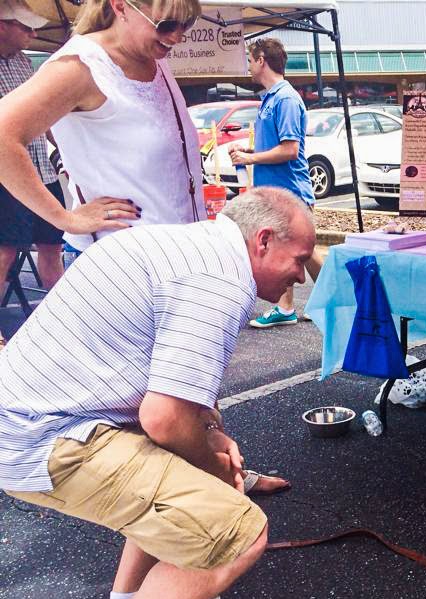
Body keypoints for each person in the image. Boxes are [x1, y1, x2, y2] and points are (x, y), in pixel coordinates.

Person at [0, 187, 317, 599]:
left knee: (182, 472)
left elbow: (172, 393)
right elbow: (166, 419)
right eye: (299, 260)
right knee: (239, 528)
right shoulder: (219, 281)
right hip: (44, 440)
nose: (299, 278)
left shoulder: (186, 248)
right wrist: (216, 471)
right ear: (263, 241)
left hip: (38, 420)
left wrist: (212, 435)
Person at [0, 0, 288, 494]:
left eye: (187, 25)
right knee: (157, 419)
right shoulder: (80, 66)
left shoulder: (151, 60)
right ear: (120, 7)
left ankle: (221, 480)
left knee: (187, 396)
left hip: (182, 267)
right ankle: (212, 502)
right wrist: (65, 216)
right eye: (168, 25)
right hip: (133, 278)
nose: (177, 37)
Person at [229, 38, 323, 329]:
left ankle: (340, 300)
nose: (248, 66)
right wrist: (248, 152)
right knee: (290, 249)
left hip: (291, 190)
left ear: (261, 60)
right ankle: (286, 308)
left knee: (306, 251)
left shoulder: (285, 99)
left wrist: (250, 158)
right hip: (277, 191)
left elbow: (290, 149)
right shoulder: (270, 98)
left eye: (250, 59)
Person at [0, 0, 66, 348]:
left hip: (42, 170)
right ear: (1, 26)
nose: (33, 33)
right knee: (5, 251)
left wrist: (65, 153)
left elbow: (47, 116)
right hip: (8, 178)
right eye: (25, 27)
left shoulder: (25, 62)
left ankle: (61, 322)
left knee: (52, 245)